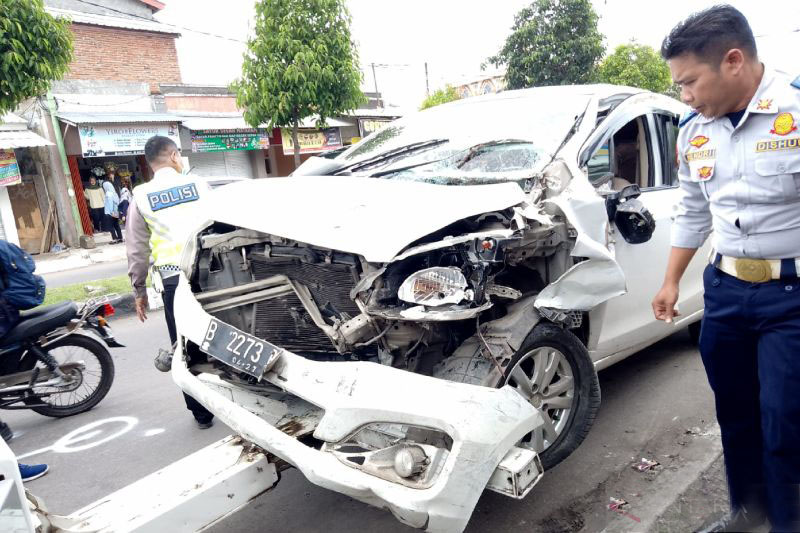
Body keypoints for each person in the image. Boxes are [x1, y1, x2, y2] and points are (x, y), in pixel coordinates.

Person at [652, 5, 800, 532]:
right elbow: (692, 211)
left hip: (792, 293)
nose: (684, 96)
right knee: (735, 414)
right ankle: (747, 512)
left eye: (689, 82)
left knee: (784, 419)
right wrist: (671, 280)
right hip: (727, 290)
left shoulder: (795, 111)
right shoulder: (694, 132)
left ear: (733, 61)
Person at [125, 135, 214, 429]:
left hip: (174, 280)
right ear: (175, 155)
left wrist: (138, 291)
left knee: (185, 347)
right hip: (212, 272)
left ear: (149, 164)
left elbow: (137, 250)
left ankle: (201, 413)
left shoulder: (141, 196)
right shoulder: (199, 185)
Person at [102, 180, 123, 244]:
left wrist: (111, 212)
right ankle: (120, 238)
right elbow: (117, 203)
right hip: (115, 212)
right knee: (116, 225)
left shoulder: (108, 193)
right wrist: (115, 212)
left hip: (110, 212)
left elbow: (110, 203)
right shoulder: (114, 193)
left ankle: (114, 239)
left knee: (111, 226)